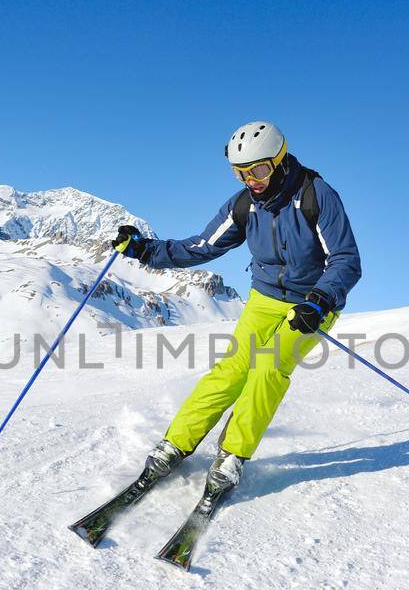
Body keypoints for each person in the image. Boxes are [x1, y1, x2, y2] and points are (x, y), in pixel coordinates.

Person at [109, 120, 362, 506]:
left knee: (268, 368)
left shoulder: (316, 195)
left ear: (277, 161)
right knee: (231, 371)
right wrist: (146, 250)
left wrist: (320, 300)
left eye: (258, 170)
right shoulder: (244, 205)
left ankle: (232, 456)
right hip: (264, 299)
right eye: (240, 172)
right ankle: (175, 444)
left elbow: (346, 260)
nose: (251, 180)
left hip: (313, 304)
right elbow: (201, 246)